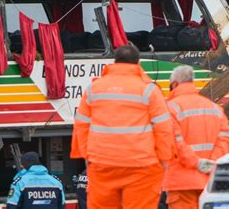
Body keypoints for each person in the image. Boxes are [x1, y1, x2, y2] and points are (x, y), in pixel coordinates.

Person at [70, 45, 174, 209]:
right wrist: (164, 163)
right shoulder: (149, 90)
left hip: (103, 166)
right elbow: (164, 130)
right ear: (137, 63)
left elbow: (81, 127)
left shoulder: (93, 89)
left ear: (115, 61)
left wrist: (88, 159)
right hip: (141, 167)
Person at [162, 65, 229, 209]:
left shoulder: (170, 108)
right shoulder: (214, 108)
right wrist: (211, 162)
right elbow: (226, 138)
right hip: (209, 180)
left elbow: (174, 142)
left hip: (181, 183)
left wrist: (195, 162)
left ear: (174, 84)